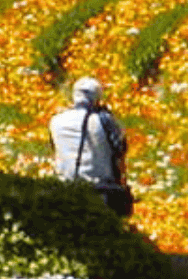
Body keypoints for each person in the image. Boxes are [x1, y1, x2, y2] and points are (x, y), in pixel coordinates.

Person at [50, 76, 132, 217]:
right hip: (101, 189)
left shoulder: (55, 121)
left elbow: (53, 149)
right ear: (98, 97)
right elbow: (120, 149)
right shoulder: (103, 120)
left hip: (64, 187)